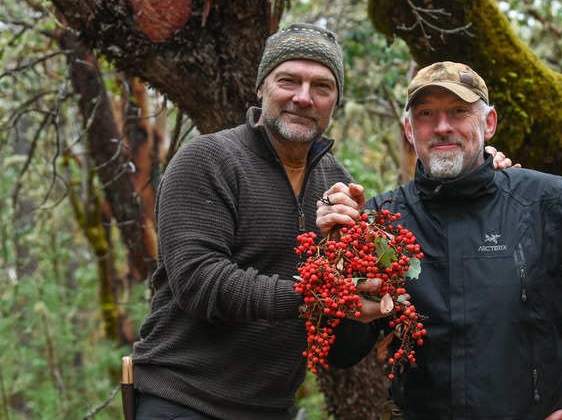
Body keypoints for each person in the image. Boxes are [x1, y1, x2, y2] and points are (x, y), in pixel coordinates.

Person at [131, 24, 517, 420]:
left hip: (273, 409)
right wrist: (320, 295)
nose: (303, 98)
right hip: (182, 401)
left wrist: (484, 177)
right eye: (288, 81)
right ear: (261, 88)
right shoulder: (207, 160)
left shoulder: (339, 185)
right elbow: (199, 282)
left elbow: (342, 351)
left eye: (321, 87)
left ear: (335, 102)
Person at [317, 61, 562, 420]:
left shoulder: (549, 203)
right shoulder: (383, 223)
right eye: (426, 113)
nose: (442, 127)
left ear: (488, 123)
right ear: (409, 131)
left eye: (459, 111)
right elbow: (343, 353)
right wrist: (336, 265)